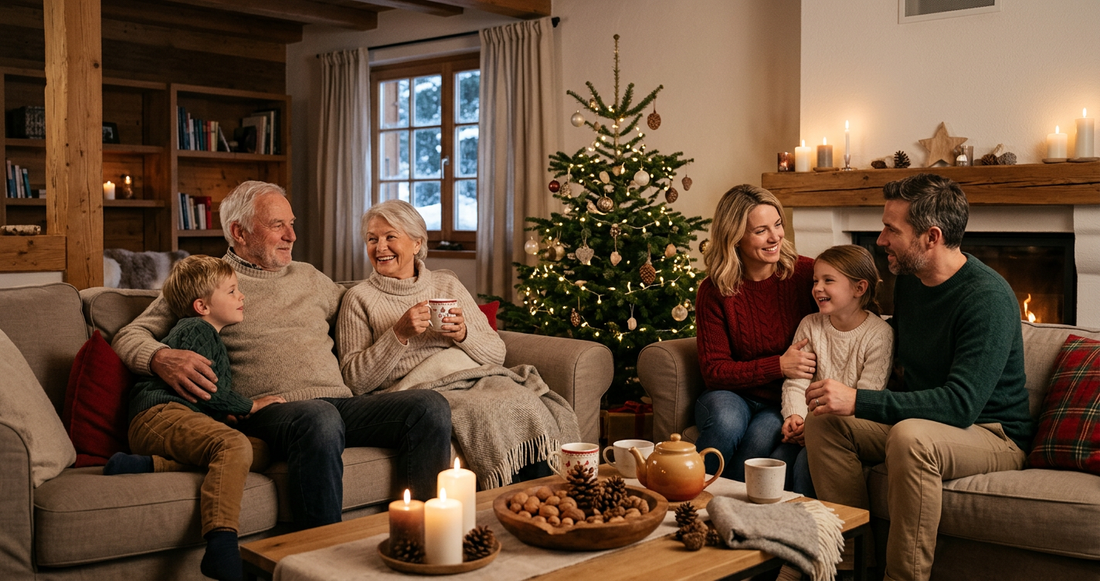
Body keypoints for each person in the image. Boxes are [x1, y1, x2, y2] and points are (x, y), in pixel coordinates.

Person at [113, 181, 453, 532]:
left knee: (428, 406)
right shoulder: (210, 281)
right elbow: (129, 334)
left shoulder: (309, 277)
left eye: (291, 224)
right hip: (268, 413)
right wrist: (161, 358)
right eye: (278, 225)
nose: (292, 236)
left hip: (339, 405)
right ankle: (318, 551)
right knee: (319, 416)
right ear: (239, 232)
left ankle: (420, 537)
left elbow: (366, 306)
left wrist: (421, 299)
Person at [803, 173, 1033, 581]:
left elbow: (960, 405)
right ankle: (852, 565)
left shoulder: (987, 298)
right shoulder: (910, 284)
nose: (881, 240)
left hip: (992, 433)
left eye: (892, 229)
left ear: (931, 237)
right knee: (824, 420)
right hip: (923, 422)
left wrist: (857, 399)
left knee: (910, 437)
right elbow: (894, 353)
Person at [337, 199, 579, 488]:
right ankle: (505, 499)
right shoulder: (358, 299)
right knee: (486, 410)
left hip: (469, 378)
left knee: (528, 400)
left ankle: (549, 496)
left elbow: (496, 353)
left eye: (390, 237)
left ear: (417, 243)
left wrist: (464, 334)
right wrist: (398, 334)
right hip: (415, 392)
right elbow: (355, 381)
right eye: (372, 239)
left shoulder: (446, 285)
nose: (380, 248)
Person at [105, 255, 284, 581]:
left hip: (177, 421)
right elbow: (207, 391)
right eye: (232, 291)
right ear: (202, 306)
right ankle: (222, 545)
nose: (241, 296)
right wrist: (251, 406)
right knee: (234, 446)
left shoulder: (210, 336)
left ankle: (149, 465)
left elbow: (209, 399)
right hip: (159, 416)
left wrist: (224, 415)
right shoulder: (196, 329)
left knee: (260, 450)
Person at [694, 184, 818, 489]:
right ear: (735, 237)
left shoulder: (807, 274)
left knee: (760, 438)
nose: (775, 237)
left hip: (782, 399)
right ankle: (688, 493)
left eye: (777, 225)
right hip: (731, 394)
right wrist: (779, 365)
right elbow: (714, 371)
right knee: (726, 422)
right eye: (761, 231)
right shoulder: (714, 290)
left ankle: (724, 506)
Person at [779, 245, 894, 498]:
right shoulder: (810, 325)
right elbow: (797, 381)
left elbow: (867, 398)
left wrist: (813, 427)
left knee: (804, 463)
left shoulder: (879, 335)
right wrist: (795, 416)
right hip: (809, 422)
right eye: (815, 281)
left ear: (859, 288)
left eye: (828, 280)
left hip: (845, 427)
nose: (817, 288)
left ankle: (816, 522)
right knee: (779, 457)